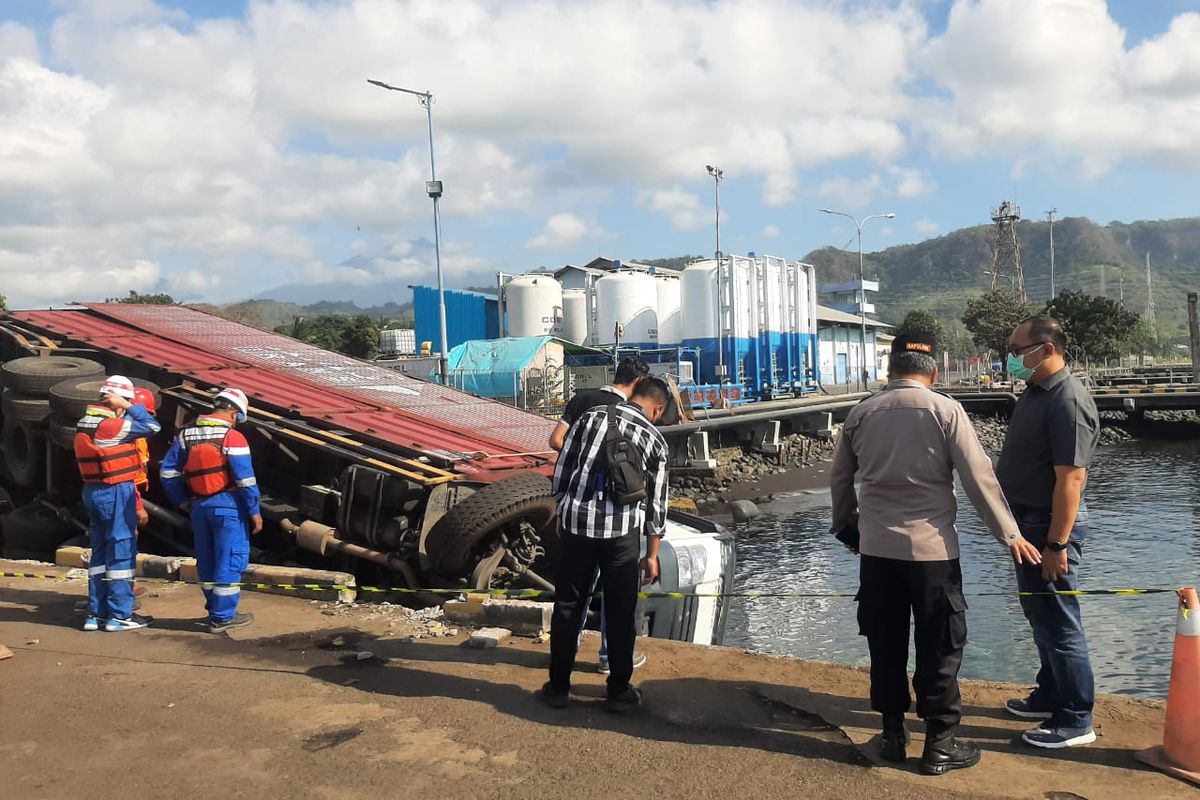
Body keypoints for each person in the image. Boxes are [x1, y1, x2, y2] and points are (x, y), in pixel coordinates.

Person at [830, 334, 1041, 775]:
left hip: (878, 554)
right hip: (933, 554)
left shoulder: (861, 413)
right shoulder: (946, 411)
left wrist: (849, 529)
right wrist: (1011, 534)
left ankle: (891, 734)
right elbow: (978, 478)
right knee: (940, 645)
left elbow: (840, 482)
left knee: (884, 643)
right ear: (933, 374)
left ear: (889, 372)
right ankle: (940, 743)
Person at [995, 316, 1100, 749]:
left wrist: (1057, 544)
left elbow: (1072, 480)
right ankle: (1050, 693)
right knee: (1039, 617)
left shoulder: (1068, 399)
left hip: (1047, 529)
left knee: (1059, 622)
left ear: (1047, 349)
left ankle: (1076, 717)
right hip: (1028, 524)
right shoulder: (1037, 392)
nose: (1012, 358)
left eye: (1019, 350)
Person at [541, 376, 671, 713]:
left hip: (577, 526)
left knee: (569, 604)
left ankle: (557, 688)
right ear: (656, 409)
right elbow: (656, 505)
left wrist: (562, 508)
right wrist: (652, 555)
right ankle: (618, 692)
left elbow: (563, 468)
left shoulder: (590, 418)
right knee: (620, 611)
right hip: (621, 536)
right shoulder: (655, 441)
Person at [549, 356, 652, 674]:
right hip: (618, 520)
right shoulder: (631, 415)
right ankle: (609, 658)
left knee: (574, 592)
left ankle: (568, 650)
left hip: (578, 513)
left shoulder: (583, 399)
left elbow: (555, 441)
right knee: (616, 593)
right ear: (638, 383)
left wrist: (584, 461)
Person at [160, 388, 262, 633]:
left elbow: (168, 473)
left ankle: (214, 609)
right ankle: (224, 616)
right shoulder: (232, 437)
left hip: (198, 506)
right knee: (229, 558)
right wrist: (255, 511)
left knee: (206, 559)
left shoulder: (186, 434)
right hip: (227, 505)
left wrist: (183, 502)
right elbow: (245, 480)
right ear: (235, 414)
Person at [74, 375, 162, 632]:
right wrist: (128, 404)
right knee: (121, 552)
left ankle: (96, 614)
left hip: (92, 490)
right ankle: (121, 616)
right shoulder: (110, 426)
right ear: (116, 399)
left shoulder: (85, 421)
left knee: (99, 553)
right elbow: (152, 426)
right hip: (115, 491)